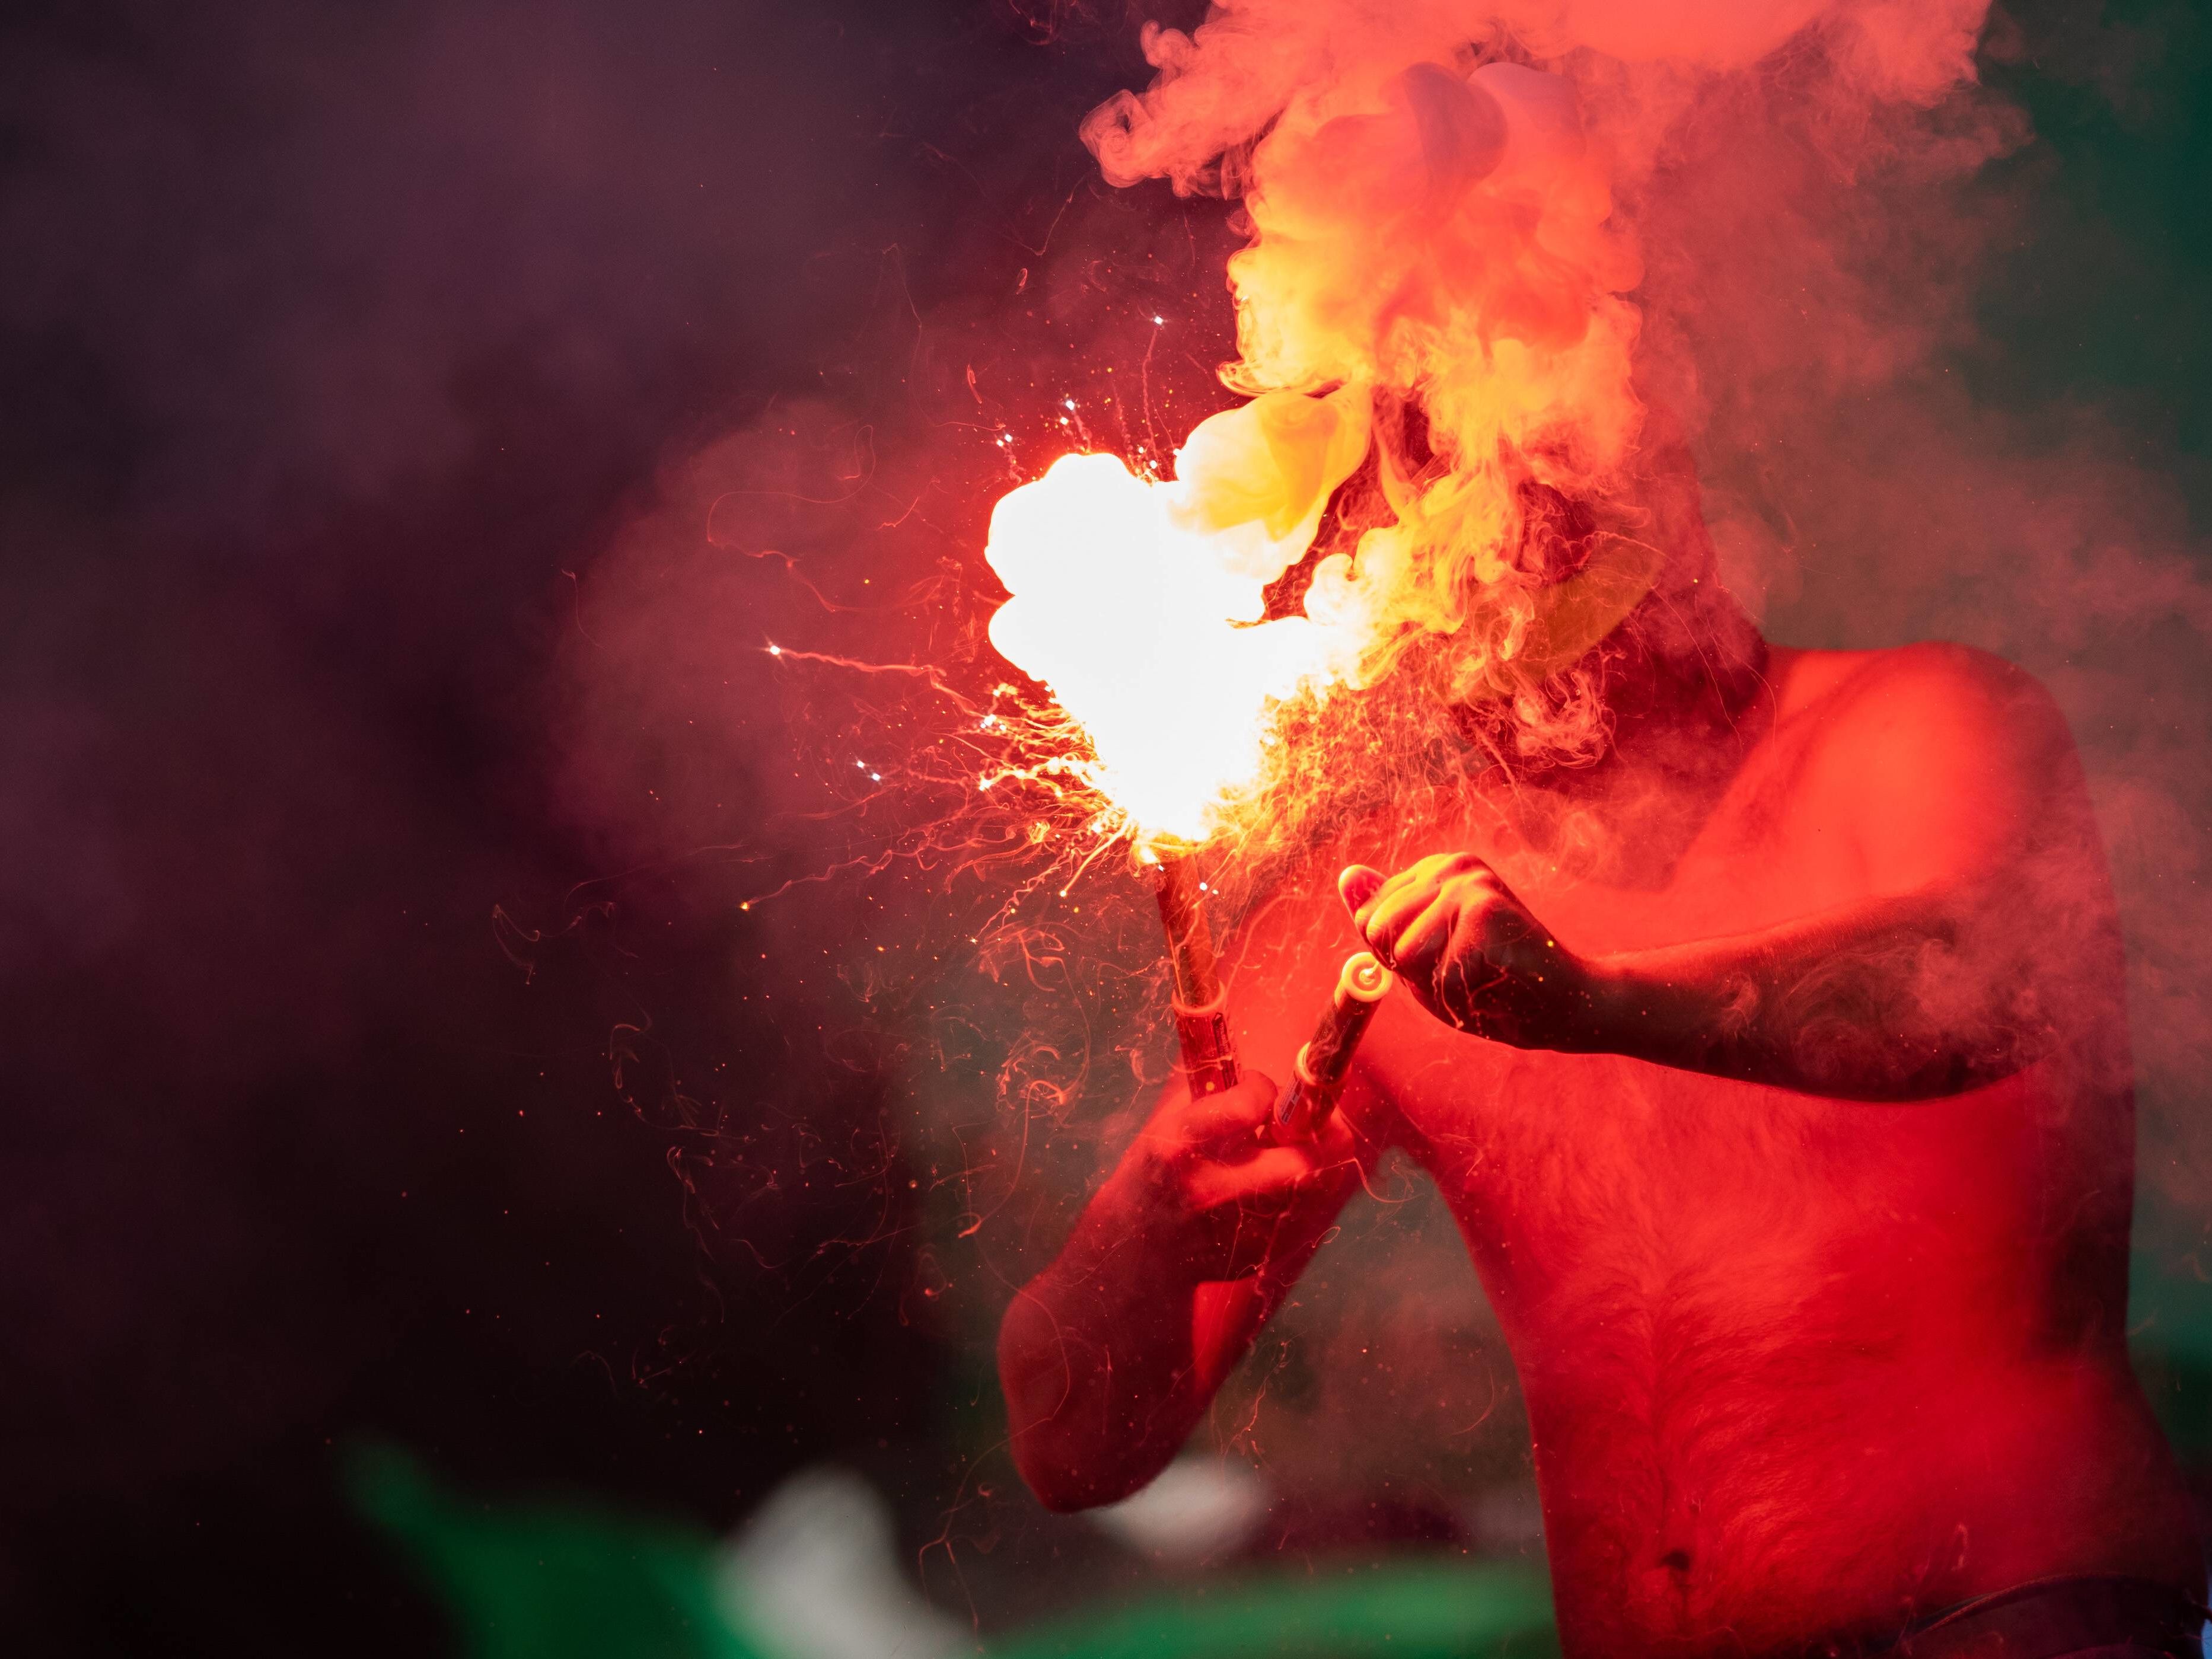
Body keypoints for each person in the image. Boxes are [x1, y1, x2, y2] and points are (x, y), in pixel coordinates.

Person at [995, 433, 2207, 1658]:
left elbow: (1980, 984)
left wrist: (1593, 1002)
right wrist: (1146, 1234)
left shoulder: (1919, 722)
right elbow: (1073, 1450)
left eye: (1573, 569)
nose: (1539, 698)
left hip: (2013, 1618)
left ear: (1677, 522)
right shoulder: (1355, 911)